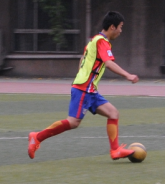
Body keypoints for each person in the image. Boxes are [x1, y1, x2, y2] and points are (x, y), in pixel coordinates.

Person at [28, 11, 140, 160]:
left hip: (90, 89)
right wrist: (127, 75)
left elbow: (83, 59)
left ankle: (115, 151)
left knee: (113, 113)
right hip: (84, 88)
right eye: (120, 27)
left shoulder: (95, 40)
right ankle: (37, 137)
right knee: (73, 122)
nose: (121, 30)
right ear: (112, 27)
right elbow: (108, 63)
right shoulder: (102, 42)